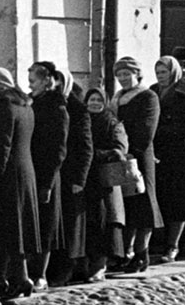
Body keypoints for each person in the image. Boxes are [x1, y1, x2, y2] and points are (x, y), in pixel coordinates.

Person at [0, 68, 42, 303]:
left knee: (9, 229)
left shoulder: (2, 106)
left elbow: (1, 145)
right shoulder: (25, 105)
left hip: (7, 176)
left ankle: (18, 279)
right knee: (13, 228)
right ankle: (2, 277)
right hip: (25, 172)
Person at [113, 57, 162, 273]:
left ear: (137, 74)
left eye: (127, 74)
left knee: (144, 206)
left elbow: (146, 129)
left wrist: (133, 150)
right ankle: (128, 251)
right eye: (120, 75)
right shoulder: (117, 98)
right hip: (122, 157)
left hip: (139, 157)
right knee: (129, 207)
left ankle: (142, 253)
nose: (123, 78)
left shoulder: (148, 97)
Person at [152, 55, 185, 263]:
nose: (161, 77)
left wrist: (157, 130)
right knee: (161, 198)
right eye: (158, 73)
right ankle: (159, 243)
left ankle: (173, 245)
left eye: (164, 72)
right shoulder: (153, 91)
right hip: (158, 152)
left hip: (180, 152)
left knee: (180, 200)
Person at [26, 61, 69, 291]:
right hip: (29, 169)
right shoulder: (31, 101)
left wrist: (49, 182)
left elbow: (59, 149)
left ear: (46, 81)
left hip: (46, 173)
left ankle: (40, 274)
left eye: (33, 80)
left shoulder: (56, 107)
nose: (29, 85)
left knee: (46, 225)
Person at [82, 87, 130, 280]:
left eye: (98, 100)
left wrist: (94, 154)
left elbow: (120, 149)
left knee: (105, 222)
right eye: (91, 99)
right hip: (87, 179)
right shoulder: (83, 120)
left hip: (105, 180)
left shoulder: (111, 122)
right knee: (90, 223)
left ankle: (100, 265)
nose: (94, 103)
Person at [52, 71, 94, 286]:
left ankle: (71, 267)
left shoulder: (78, 109)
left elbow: (86, 146)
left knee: (72, 224)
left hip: (71, 174)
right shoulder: (48, 105)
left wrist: (80, 178)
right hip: (55, 174)